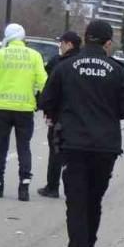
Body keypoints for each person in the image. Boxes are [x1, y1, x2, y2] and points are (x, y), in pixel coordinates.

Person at [38, 20, 124, 247]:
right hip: (105, 146)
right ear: (108, 43)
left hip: (73, 144)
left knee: (76, 203)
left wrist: (64, 111)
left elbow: (45, 101)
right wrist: (106, 112)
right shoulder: (117, 71)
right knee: (94, 201)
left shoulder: (65, 67)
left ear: (84, 38)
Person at [0, 23, 48, 201]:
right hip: (25, 110)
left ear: (7, 37)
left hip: (2, 109)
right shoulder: (35, 56)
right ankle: (24, 187)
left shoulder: (0, 54)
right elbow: (44, 82)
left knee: (1, 146)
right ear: (23, 37)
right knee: (24, 147)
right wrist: (38, 97)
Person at [37, 31, 82, 199]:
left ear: (69, 44)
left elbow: (48, 88)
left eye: (61, 44)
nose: (60, 47)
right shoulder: (84, 63)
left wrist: (45, 109)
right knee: (77, 154)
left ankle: (52, 186)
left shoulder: (59, 63)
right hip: (80, 116)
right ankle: (76, 189)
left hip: (59, 116)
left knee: (56, 151)